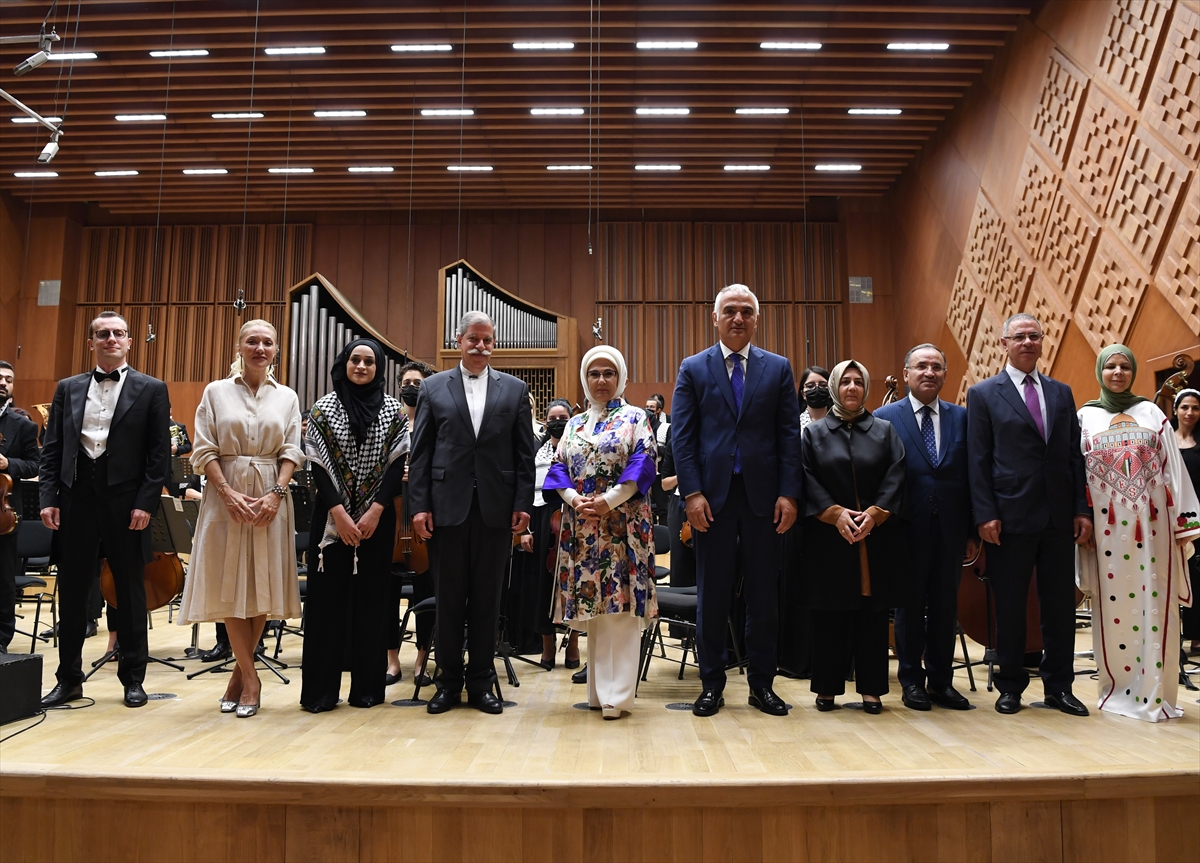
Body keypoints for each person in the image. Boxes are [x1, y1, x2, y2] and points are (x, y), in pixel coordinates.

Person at [671, 283, 802, 717]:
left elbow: (788, 436)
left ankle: (762, 685)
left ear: (757, 319)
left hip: (765, 500)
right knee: (714, 595)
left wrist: (789, 492)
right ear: (715, 318)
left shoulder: (779, 368)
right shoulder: (693, 368)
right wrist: (691, 492)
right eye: (730, 310)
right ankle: (711, 684)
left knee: (765, 597)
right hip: (712, 500)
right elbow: (683, 438)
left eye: (747, 311)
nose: (738, 318)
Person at [38, 312, 171, 708]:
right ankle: (69, 679)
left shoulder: (152, 388)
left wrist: (146, 503)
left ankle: (133, 678)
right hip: (75, 500)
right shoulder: (68, 387)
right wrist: (48, 498)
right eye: (102, 334)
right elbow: (53, 450)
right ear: (91, 341)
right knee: (75, 591)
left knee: (130, 591)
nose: (111, 339)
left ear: (129, 341)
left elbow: (158, 455)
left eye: (118, 333)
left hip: (126, 503)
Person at [408, 310, 537, 715]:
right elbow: (422, 452)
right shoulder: (432, 387)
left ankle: (481, 682)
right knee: (447, 599)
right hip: (447, 509)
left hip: (496, 511)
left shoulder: (515, 390)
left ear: (493, 343)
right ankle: (447, 683)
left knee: (487, 599)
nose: (480, 346)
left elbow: (523, 456)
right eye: (473, 339)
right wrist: (419, 506)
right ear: (459, 340)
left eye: (488, 340)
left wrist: (522, 504)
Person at [967, 312, 1093, 716]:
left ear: (1042, 343)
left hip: (1058, 518)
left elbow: (1073, 457)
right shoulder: (984, 393)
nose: (1027, 342)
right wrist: (984, 513)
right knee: (1010, 606)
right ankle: (1010, 686)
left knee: (1059, 607)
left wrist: (1080, 509)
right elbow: (978, 459)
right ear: (1004, 343)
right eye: (1019, 336)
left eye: (1034, 336)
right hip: (1008, 517)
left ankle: (1059, 686)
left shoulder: (1061, 392)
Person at [176, 319, 303, 718]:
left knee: (262, 579)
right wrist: (227, 493)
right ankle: (251, 679)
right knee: (228, 582)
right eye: (253, 341)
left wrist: (276, 494)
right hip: (223, 491)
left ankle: (239, 676)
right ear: (239, 347)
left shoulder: (287, 397)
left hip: (272, 493)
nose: (260, 348)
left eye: (268, 342)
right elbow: (203, 448)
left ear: (276, 350)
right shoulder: (215, 392)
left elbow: (292, 450)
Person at [1074, 346, 1198, 721]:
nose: (1117, 372)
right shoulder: (1085, 417)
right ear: (1099, 370)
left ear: (1133, 371)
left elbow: (1174, 469)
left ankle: (1156, 692)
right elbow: (1075, 471)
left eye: (1125, 366)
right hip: (1106, 532)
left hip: (1154, 528)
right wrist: (1080, 519)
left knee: (1155, 607)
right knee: (1114, 613)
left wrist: (1184, 525)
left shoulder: (1153, 413)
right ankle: (1117, 690)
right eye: (1110, 366)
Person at [544, 346, 657, 718]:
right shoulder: (574, 424)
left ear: (621, 377)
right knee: (595, 607)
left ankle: (618, 696)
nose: (601, 380)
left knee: (621, 608)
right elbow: (557, 467)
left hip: (622, 525)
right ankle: (597, 692)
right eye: (594, 374)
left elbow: (644, 462)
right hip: (583, 526)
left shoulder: (635, 417)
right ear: (585, 378)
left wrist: (610, 499)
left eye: (609, 373)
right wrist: (575, 498)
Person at [301, 339, 408, 712]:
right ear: (343, 363)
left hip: (377, 521)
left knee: (373, 606)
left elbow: (397, 464)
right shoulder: (322, 409)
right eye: (354, 360)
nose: (361, 366)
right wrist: (341, 515)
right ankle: (319, 693)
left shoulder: (394, 411)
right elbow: (316, 465)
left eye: (369, 361)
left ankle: (368, 690)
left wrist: (376, 511)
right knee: (325, 607)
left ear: (379, 368)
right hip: (332, 522)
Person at [803, 360, 908, 714]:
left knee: (872, 613)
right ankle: (827, 688)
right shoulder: (813, 433)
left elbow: (896, 475)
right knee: (829, 613)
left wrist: (876, 515)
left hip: (874, 536)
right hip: (829, 536)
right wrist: (835, 514)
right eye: (845, 382)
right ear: (834, 387)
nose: (851, 388)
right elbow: (805, 478)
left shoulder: (884, 430)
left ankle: (873, 689)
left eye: (858, 382)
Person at [875, 344, 977, 710]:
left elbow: (972, 477)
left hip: (950, 530)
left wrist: (971, 531)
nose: (929, 372)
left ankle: (942, 682)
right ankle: (910, 680)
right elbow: (878, 477)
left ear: (945, 375)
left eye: (936, 367)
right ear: (906, 373)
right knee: (909, 607)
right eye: (921, 366)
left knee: (945, 608)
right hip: (904, 529)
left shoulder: (962, 418)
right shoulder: (885, 416)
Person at [387, 360, 435, 686]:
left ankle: (421, 659)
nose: (412, 387)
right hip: (392, 517)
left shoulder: (437, 426)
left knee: (426, 591)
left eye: (418, 383)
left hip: (424, 519)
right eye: (407, 382)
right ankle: (391, 660)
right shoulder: (391, 426)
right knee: (386, 592)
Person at [525, 398, 579, 669]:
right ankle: (547, 646)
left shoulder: (578, 447)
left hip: (571, 517)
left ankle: (573, 644)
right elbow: (525, 489)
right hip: (542, 517)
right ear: (546, 422)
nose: (558, 422)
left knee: (574, 587)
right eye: (553, 417)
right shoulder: (537, 450)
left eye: (563, 417)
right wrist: (526, 529)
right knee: (542, 587)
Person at [0, 361, 42, 654]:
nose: (4, 382)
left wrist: (8, 464)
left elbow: (36, 464)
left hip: (2, 514)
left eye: (9, 379)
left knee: (2, 580)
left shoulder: (24, 426)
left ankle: (1, 640)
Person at [1174, 389, 1200, 656]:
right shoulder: (1165, 440)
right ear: (1176, 410)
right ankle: (1175, 637)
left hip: (1199, 518)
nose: (1190, 413)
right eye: (1185, 407)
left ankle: (1197, 636)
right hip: (1174, 519)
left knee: (1198, 578)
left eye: (1195, 408)